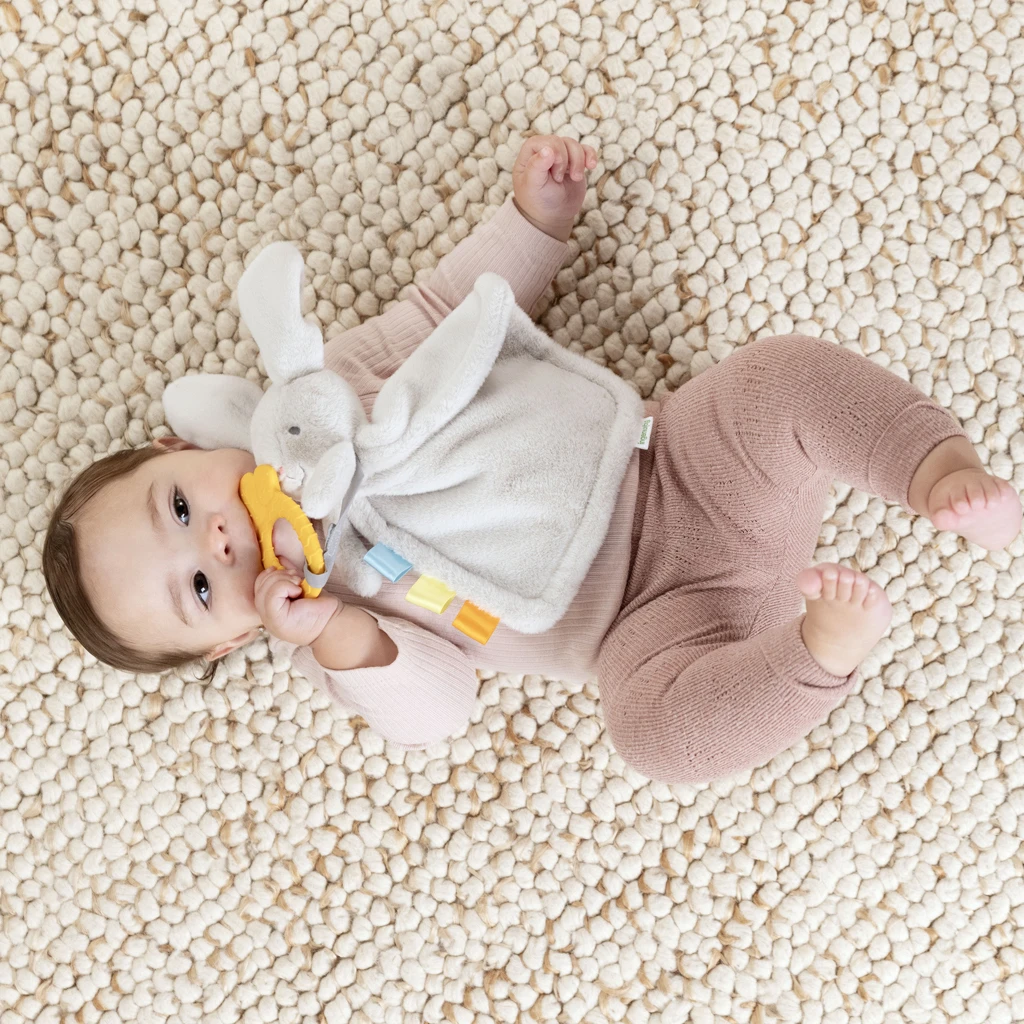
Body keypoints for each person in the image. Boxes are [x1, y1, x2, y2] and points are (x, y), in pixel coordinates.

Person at [43, 134, 1023, 784]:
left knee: (777, 378)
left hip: (677, 464)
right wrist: (337, 632)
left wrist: (532, 225)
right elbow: (438, 708)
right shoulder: (332, 629)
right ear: (227, 642)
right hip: (652, 629)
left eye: (180, 509)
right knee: (654, 737)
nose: (217, 541)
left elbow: (448, 312)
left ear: (180, 447)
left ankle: (934, 469)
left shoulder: (329, 387)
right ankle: (814, 657)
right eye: (202, 588)